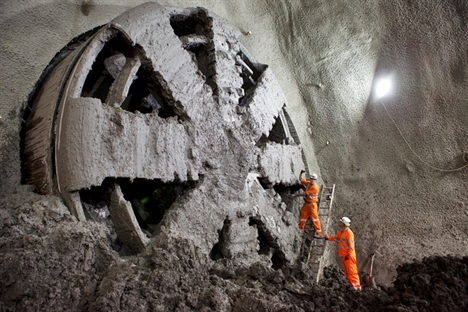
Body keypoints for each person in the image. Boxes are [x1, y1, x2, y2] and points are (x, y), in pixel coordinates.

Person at [325, 217, 362, 290]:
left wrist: (348, 255)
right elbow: (335, 238)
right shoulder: (341, 232)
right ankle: (352, 286)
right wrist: (328, 238)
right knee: (347, 272)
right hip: (344, 256)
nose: (339, 222)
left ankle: (357, 287)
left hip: (349, 256)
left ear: (344, 224)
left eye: (341, 222)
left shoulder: (349, 233)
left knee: (351, 271)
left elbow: (351, 246)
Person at [298, 170, 323, 238]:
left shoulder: (315, 188)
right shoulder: (309, 183)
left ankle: (319, 233)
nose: (312, 180)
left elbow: (305, 193)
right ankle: (300, 229)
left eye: (313, 179)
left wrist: (296, 195)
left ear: (315, 180)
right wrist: (301, 173)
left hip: (312, 205)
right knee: (303, 216)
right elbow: (301, 180)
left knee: (315, 218)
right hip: (307, 204)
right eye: (311, 179)